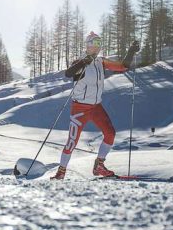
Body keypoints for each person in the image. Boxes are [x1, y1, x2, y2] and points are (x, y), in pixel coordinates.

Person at [52, 32, 140, 179]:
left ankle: (99, 166)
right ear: (88, 45)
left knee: (110, 133)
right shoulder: (80, 62)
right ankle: (61, 173)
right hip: (80, 108)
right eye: (94, 43)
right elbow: (69, 73)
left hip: (96, 107)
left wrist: (131, 51)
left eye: (99, 43)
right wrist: (83, 62)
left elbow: (123, 66)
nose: (97, 47)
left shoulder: (101, 62)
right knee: (72, 141)